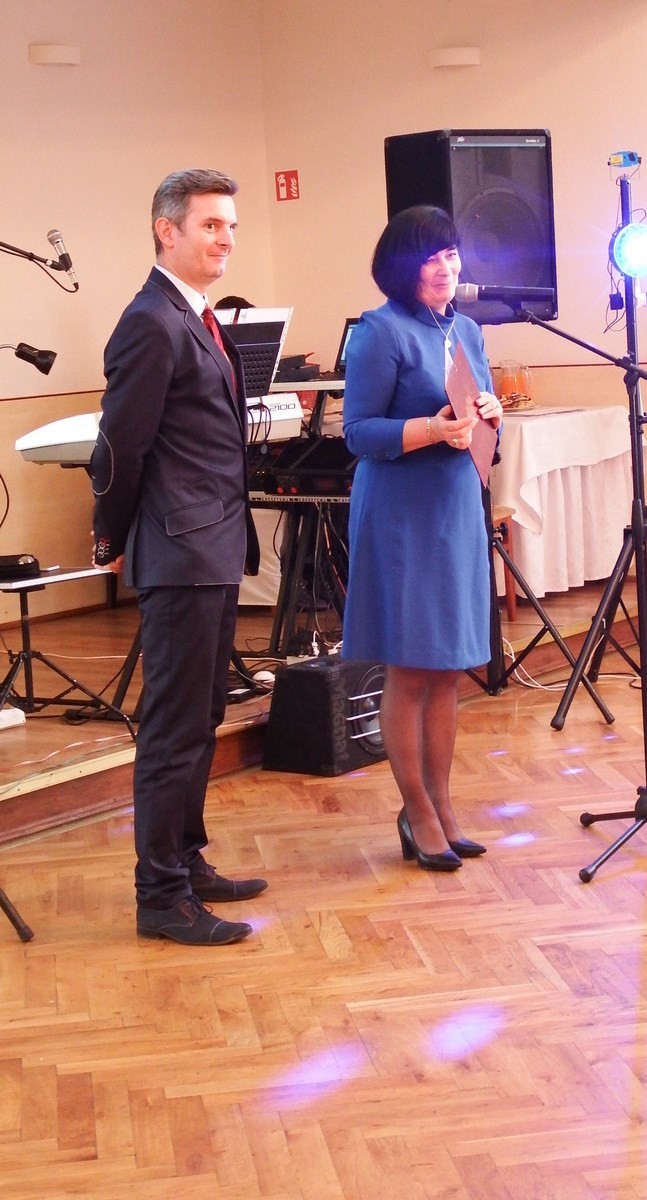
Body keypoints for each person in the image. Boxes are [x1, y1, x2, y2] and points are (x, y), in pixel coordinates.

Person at [90, 168, 267, 945]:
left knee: (202, 717)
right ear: (168, 231)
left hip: (211, 546)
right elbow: (119, 449)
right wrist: (109, 537)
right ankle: (160, 897)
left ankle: (186, 860)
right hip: (179, 549)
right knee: (171, 728)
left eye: (231, 226)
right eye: (211, 225)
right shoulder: (150, 322)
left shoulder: (192, 314)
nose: (226, 239)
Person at [341, 205, 503, 871]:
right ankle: (417, 810)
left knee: (447, 669)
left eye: (451, 255)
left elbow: (479, 411)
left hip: (455, 506)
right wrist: (433, 429)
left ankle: (441, 805)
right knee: (410, 667)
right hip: (402, 512)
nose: (444, 268)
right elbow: (358, 432)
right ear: (401, 268)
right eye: (430, 258)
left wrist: (490, 411)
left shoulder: (467, 328)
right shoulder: (379, 331)